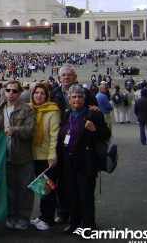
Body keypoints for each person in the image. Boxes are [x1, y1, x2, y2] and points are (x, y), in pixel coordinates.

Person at [57, 85, 111, 234]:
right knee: (71, 193)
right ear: (69, 99)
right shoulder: (66, 115)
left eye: (80, 97)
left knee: (85, 194)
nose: (77, 100)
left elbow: (106, 134)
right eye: (74, 97)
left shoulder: (94, 115)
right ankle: (74, 223)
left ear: (85, 99)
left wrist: (95, 129)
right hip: (68, 160)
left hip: (86, 160)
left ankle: (88, 225)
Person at [0, 80, 36, 230]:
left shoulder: (27, 109)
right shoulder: (0, 109)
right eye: (8, 90)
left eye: (14, 91)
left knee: (25, 188)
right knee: (10, 188)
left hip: (23, 154)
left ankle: (24, 217)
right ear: (4, 92)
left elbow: (30, 130)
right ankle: (12, 215)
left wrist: (15, 130)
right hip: (6, 154)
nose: (11, 93)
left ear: (20, 93)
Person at [29, 83, 61, 231]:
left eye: (42, 93)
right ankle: (42, 216)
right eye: (36, 93)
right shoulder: (30, 109)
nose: (39, 96)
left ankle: (48, 219)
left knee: (47, 188)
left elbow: (55, 135)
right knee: (39, 188)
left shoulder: (53, 111)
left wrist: (52, 156)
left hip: (46, 156)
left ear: (47, 96)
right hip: (32, 154)